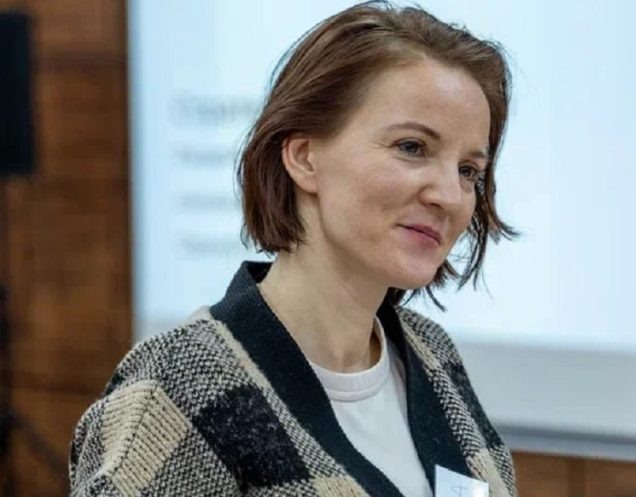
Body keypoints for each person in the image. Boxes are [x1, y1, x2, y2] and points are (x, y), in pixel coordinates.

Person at [68, 1, 518, 495]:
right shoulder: (178, 387)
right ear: (304, 158)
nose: (450, 196)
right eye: (412, 147)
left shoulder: (431, 354)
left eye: (468, 171)